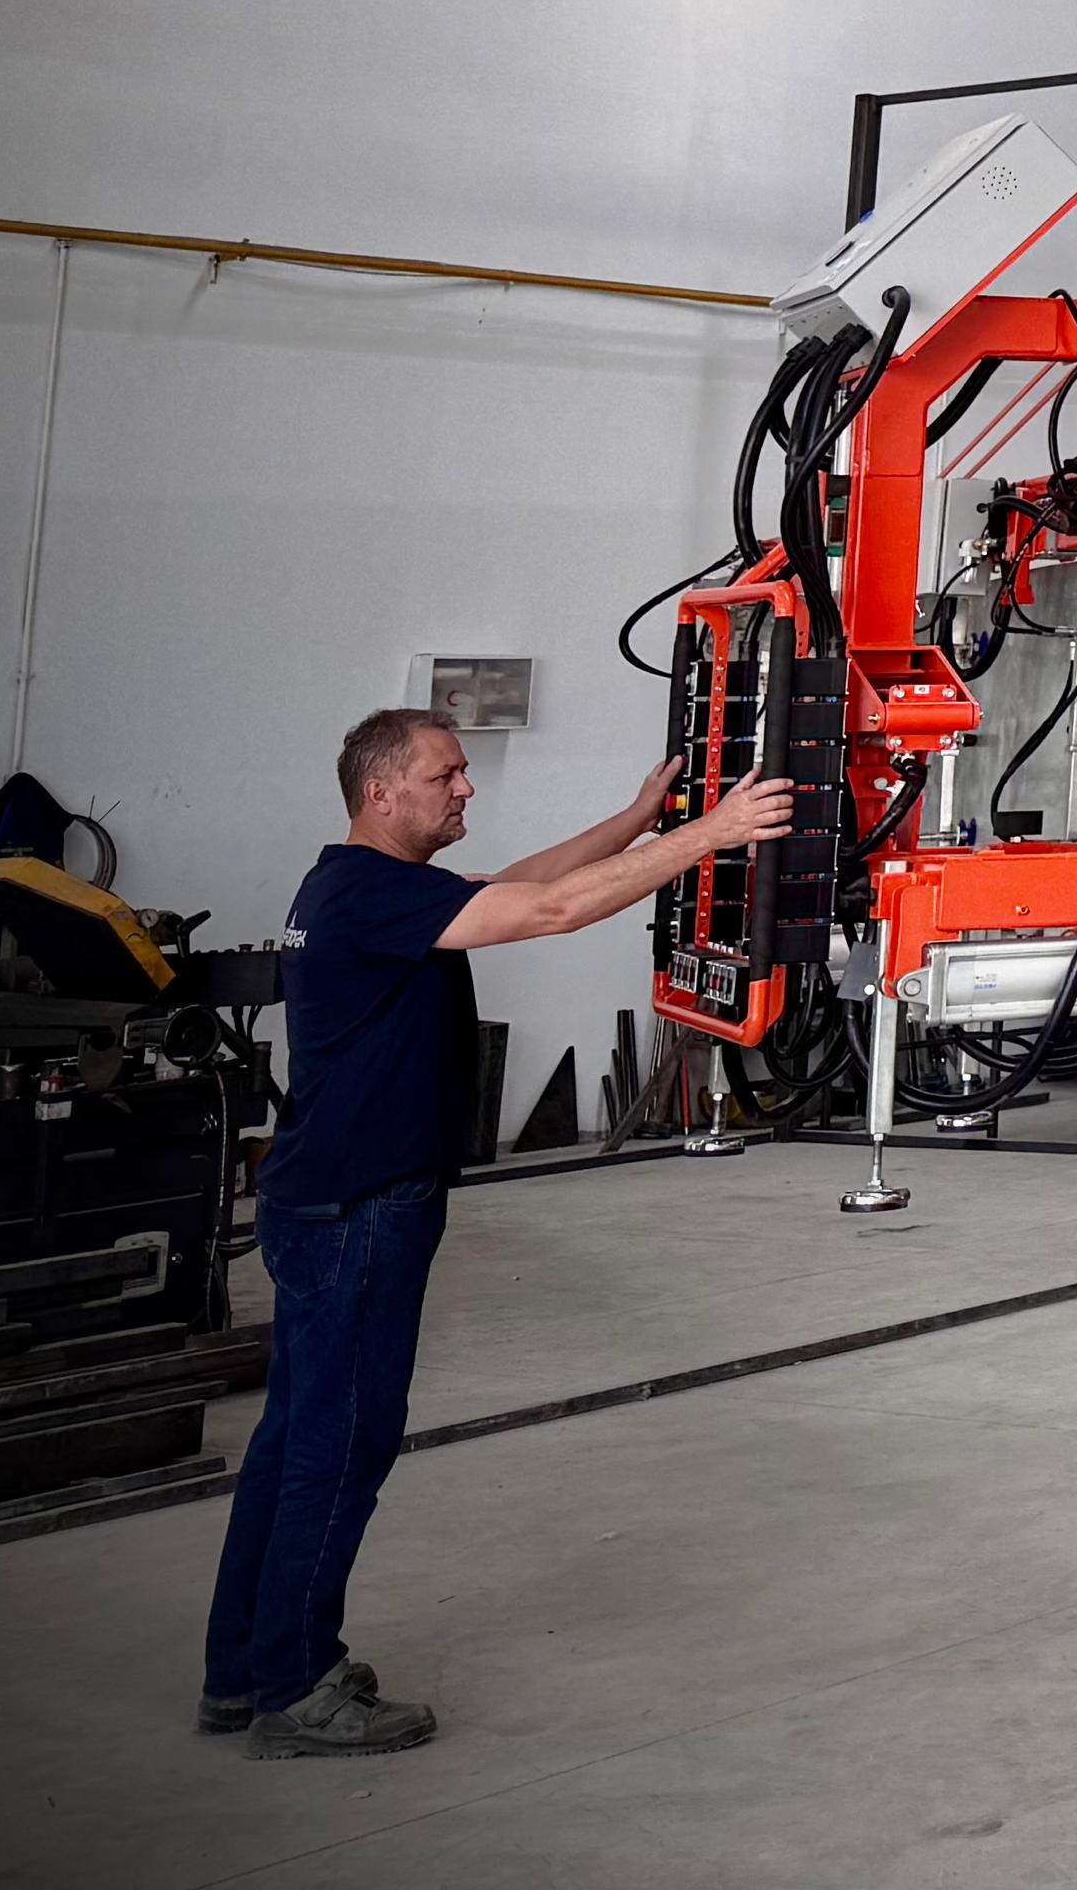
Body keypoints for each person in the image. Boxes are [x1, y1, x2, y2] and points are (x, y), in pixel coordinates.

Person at [201, 708, 789, 1758]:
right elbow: (552, 910)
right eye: (447, 774)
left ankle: (243, 1673)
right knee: (341, 1445)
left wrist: (638, 820)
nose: (466, 787)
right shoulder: (369, 891)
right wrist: (716, 833)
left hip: (322, 1199)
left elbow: (521, 882)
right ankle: (296, 1689)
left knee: (294, 1438)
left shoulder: (355, 884)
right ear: (382, 792)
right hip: (359, 1208)